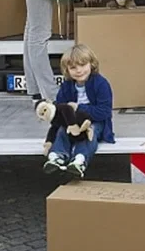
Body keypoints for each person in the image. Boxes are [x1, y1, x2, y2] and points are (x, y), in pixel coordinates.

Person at [43, 44, 115, 179]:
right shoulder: (66, 86)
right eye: (73, 67)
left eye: (82, 65)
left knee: (89, 133)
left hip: (96, 122)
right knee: (62, 130)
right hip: (72, 122)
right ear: (67, 70)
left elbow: (104, 112)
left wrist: (79, 107)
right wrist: (50, 135)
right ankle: (56, 157)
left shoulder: (101, 84)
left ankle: (80, 160)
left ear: (91, 64)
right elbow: (60, 111)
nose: (79, 70)